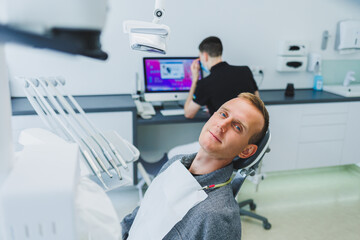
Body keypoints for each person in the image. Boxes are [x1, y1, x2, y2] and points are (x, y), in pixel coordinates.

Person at [121, 93, 269, 240]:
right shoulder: (175, 163)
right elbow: (140, 214)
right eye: (223, 114)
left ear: (246, 150)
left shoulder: (217, 216)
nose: (222, 125)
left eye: (237, 127)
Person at [184, 36, 260, 119]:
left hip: (225, 129)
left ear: (205, 56)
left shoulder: (205, 84)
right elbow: (257, 101)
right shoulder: (245, 71)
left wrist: (195, 80)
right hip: (248, 127)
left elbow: (188, 113)